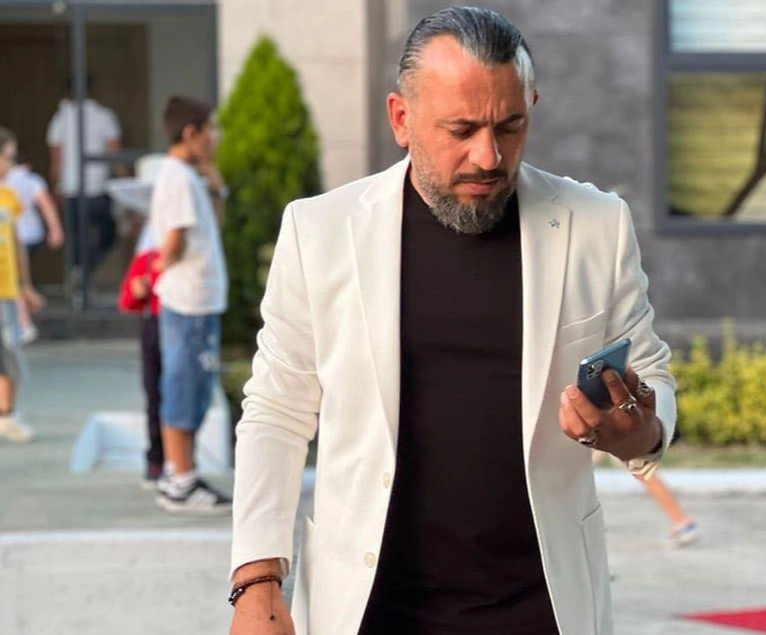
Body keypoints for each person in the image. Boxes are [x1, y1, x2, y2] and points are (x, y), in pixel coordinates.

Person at [228, 7, 676, 635]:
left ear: (532, 107)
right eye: (461, 129)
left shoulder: (596, 224)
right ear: (401, 119)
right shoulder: (320, 231)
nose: (488, 156)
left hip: (543, 606)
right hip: (369, 607)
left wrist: (641, 433)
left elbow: (650, 372)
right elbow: (277, 410)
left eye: (510, 126)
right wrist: (256, 581)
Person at [149, 96, 230, 514]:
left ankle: (181, 473)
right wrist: (158, 269)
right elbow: (176, 240)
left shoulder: (186, 176)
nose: (215, 137)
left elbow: (212, 225)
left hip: (196, 300)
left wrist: (214, 181)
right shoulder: (178, 177)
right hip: (188, 301)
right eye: (209, 129)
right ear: (190, 133)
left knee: (193, 389)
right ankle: (181, 482)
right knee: (183, 389)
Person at [46, 75, 122, 278]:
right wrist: (123, 180)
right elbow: (115, 154)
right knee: (107, 234)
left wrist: (55, 185)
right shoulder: (104, 116)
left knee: (76, 239)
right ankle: (84, 272)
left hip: (72, 187)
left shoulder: (61, 119)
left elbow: (56, 157)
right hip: (98, 186)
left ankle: (80, 272)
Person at [117, 223, 163, 489]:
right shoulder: (147, 258)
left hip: (182, 323)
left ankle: (181, 461)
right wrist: (139, 290)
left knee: (182, 395)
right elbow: (127, 300)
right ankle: (156, 458)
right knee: (154, 393)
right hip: (154, 325)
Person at [4, 153, 65, 343]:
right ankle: (23, 318)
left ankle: (23, 322)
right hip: (28, 236)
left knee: (15, 281)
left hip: (15, 241)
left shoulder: (10, 188)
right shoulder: (27, 181)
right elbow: (45, 204)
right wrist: (55, 229)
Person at [0, 127, 35, 443]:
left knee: (10, 351)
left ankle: (7, 413)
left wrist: (25, 285)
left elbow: (16, 242)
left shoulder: (9, 197)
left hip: (6, 290)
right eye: (7, 157)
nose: (10, 165)